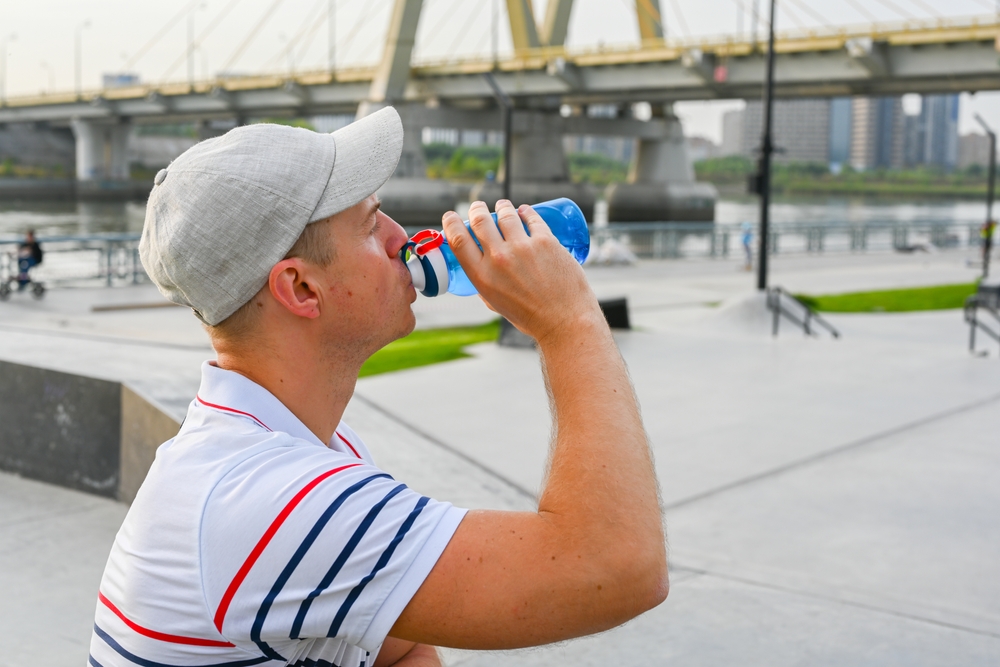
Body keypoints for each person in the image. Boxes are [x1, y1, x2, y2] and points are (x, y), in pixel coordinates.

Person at [89, 107, 667, 667]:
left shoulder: (303, 449)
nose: (403, 239)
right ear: (301, 288)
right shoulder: (270, 501)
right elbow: (617, 566)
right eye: (370, 223)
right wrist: (569, 322)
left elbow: (402, 649)